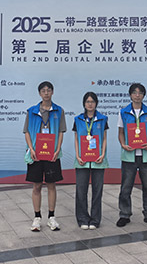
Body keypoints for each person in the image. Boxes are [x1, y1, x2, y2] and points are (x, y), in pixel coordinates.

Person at [23, 81, 66, 231]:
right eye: (43, 91)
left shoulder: (59, 111)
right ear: (39, 93)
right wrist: (31, 149)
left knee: (51, 185)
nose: (46, 93)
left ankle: (51, 217)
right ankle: (37, 218)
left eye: (48, 90)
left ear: (52, 92)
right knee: (36, 186)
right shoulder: (31, 111)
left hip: (52, 154)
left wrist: (57, 149)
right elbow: (26, 132)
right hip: (36, 154)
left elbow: (61, 132)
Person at [117, 83, 147, 227]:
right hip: (129, 155)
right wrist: (123, 144)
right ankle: (124, 215)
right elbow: (121, 132)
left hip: (146, 155)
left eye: (140, 93)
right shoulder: (123, 112)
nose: (137, 95)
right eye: (134, 93)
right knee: (126, 187)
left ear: (143, 95)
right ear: (130, 95)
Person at [73, 92, 108, 229]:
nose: (90, 104)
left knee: (97, 191)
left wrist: (103, 154)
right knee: (81, 190)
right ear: (84, 104)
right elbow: (76, 139)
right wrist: (77, 156)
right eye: (87, 102)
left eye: (92, 101)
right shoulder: (78, 119)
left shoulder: (103, 119)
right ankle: (82, 218)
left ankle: (95, 219)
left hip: (98, 160)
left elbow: (104, 138)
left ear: (96, 103)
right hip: (82, 160)